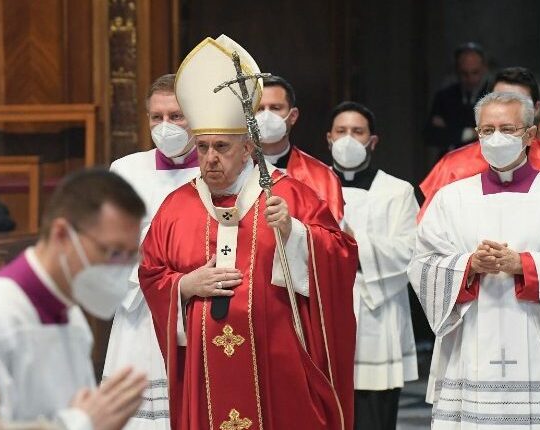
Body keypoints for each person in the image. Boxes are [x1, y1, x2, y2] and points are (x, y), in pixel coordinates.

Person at [140, 35, 358, 430]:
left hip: (278, 364)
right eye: (202, 147)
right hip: (204, 370)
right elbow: (151, 273)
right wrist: (185, 284)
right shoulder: (176, 207)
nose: (209, 158)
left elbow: (342, 255)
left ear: (248, 149)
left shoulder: (288, 194)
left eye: (221, 146)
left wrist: (294, 232)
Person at [409, 92, 540, 428]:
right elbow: (422, 264)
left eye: (507, 128)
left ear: (530, 135)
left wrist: (526, 266)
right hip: (471, 341)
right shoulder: (450, 198)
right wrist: (469, 265)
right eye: (487, 130)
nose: (496, 137)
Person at [0, 169, 148, 430]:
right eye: (113, 252)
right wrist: (81, 424)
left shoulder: (72, 316)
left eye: (130, 256)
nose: (122, 268)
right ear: (62, 235)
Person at [103, 73, 199, 430]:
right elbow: (109, 248)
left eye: (176, 116)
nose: (165, 126)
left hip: (196, 310)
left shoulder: (215, 169)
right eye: (156, 117)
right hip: (140, 310)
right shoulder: (125, 170)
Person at [325, 101, 417, 430]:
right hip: (324, 314)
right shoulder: (312, 188)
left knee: (372, 416)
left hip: (379, 319)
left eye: (357, 131)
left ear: (372, 141)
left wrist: (353, 242)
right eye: (341, 131)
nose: (348, 138)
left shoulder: (398, 191)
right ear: (329, 138)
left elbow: (410, 252)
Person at [419, 67, 540, 217]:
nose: (506, 111)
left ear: (535, 109)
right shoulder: (453, 166)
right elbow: (431, 233)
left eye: (518, 103)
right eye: (499, 101)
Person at [255, 75, 344, 221]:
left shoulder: (323, 177)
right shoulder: (235, 171)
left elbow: (330, 236)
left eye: (275, 108)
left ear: (293, 116)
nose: (266, 116)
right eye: (259, 109)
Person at [424, 43, 490, 159]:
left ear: (484, 68)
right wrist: (471, 133)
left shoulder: (492, 97)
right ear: (457, 70)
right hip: (450, 161)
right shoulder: (444, 97)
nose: (470, 79)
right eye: (464, 73)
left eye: (475, 72)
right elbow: (431, 135)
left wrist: (451, 130)